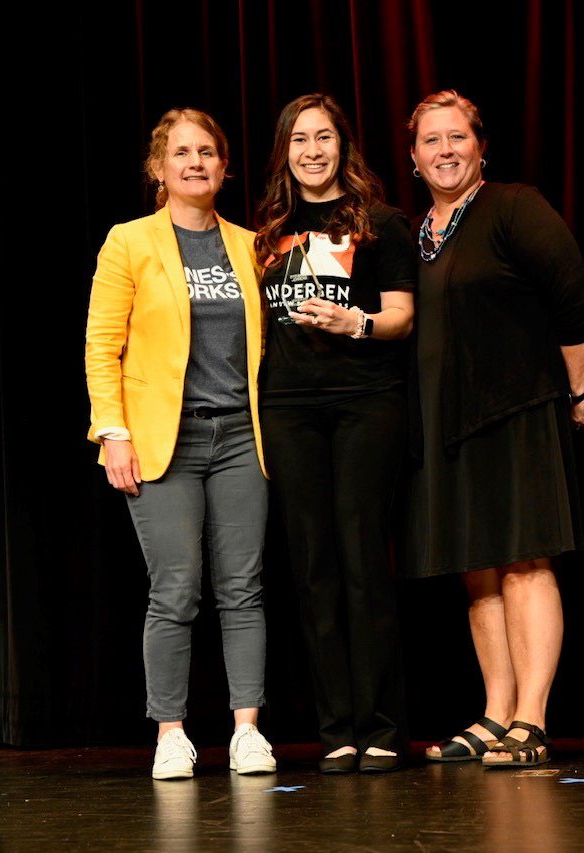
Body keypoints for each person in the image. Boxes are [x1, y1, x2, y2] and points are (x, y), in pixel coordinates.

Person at [404, 90, 584, 768]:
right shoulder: (417, 233)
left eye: (458, 137)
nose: (446, 150)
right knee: (477, 572)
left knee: (523, 561)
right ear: (414, 157)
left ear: (481, 147)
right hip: (449, 425)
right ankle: (495, 712)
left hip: (516, 411)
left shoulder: (513, 206)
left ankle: (532, 718)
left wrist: (574, 394)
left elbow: (574, 298)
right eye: (432, 140)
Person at [85, 108, 275, 781]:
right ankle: (171, 732)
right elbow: (102, 345)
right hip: (165, 439)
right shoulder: (129, 241)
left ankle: (247, 729)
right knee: (176, 588)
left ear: (224, 167)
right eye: (183, 152)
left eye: (208, 152)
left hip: (239, 439)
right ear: (159, 168)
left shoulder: (252, 246)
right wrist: (114, 432)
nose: (196, 163)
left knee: (242, 588)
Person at [254, 94, 416, 773]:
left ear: (343, 146)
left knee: (360, 559)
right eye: (299, 140)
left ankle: (381, 725)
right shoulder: (264, 232)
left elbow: (404, 315)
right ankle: (336, 729)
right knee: (313, 566)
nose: (312, 150)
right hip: (289, 409)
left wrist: (356, 324)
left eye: (323, 138)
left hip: (364, 403)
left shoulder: (381, 224)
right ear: (285, 152)